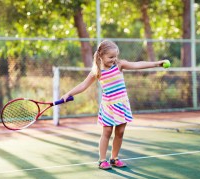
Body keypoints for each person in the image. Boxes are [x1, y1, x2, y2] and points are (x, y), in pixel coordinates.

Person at [61, 40, 169, 170]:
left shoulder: (119, 65)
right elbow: (83, 85)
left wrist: (156, 64)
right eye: (110, 57)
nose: (114, 59)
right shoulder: (97, 71)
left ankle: (114, 158)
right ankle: (102, 160)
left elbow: (137, 65)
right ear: (101, 55)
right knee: (107, 131)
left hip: (122, 104)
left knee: (120, 132)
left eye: (115, 56)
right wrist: (68, 93)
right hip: (108, 106)